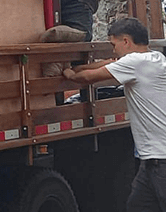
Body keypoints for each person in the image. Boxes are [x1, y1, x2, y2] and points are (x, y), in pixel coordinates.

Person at [63, 17, 166, 211]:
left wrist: (69, 74)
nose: (113, 50)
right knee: (137, 206)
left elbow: (89, 77)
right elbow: (109, 64)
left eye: (113, 44)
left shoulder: (135, 62)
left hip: (161, 160)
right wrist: (79, 66)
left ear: (126, 41)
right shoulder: (154, 57)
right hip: (151, 161)